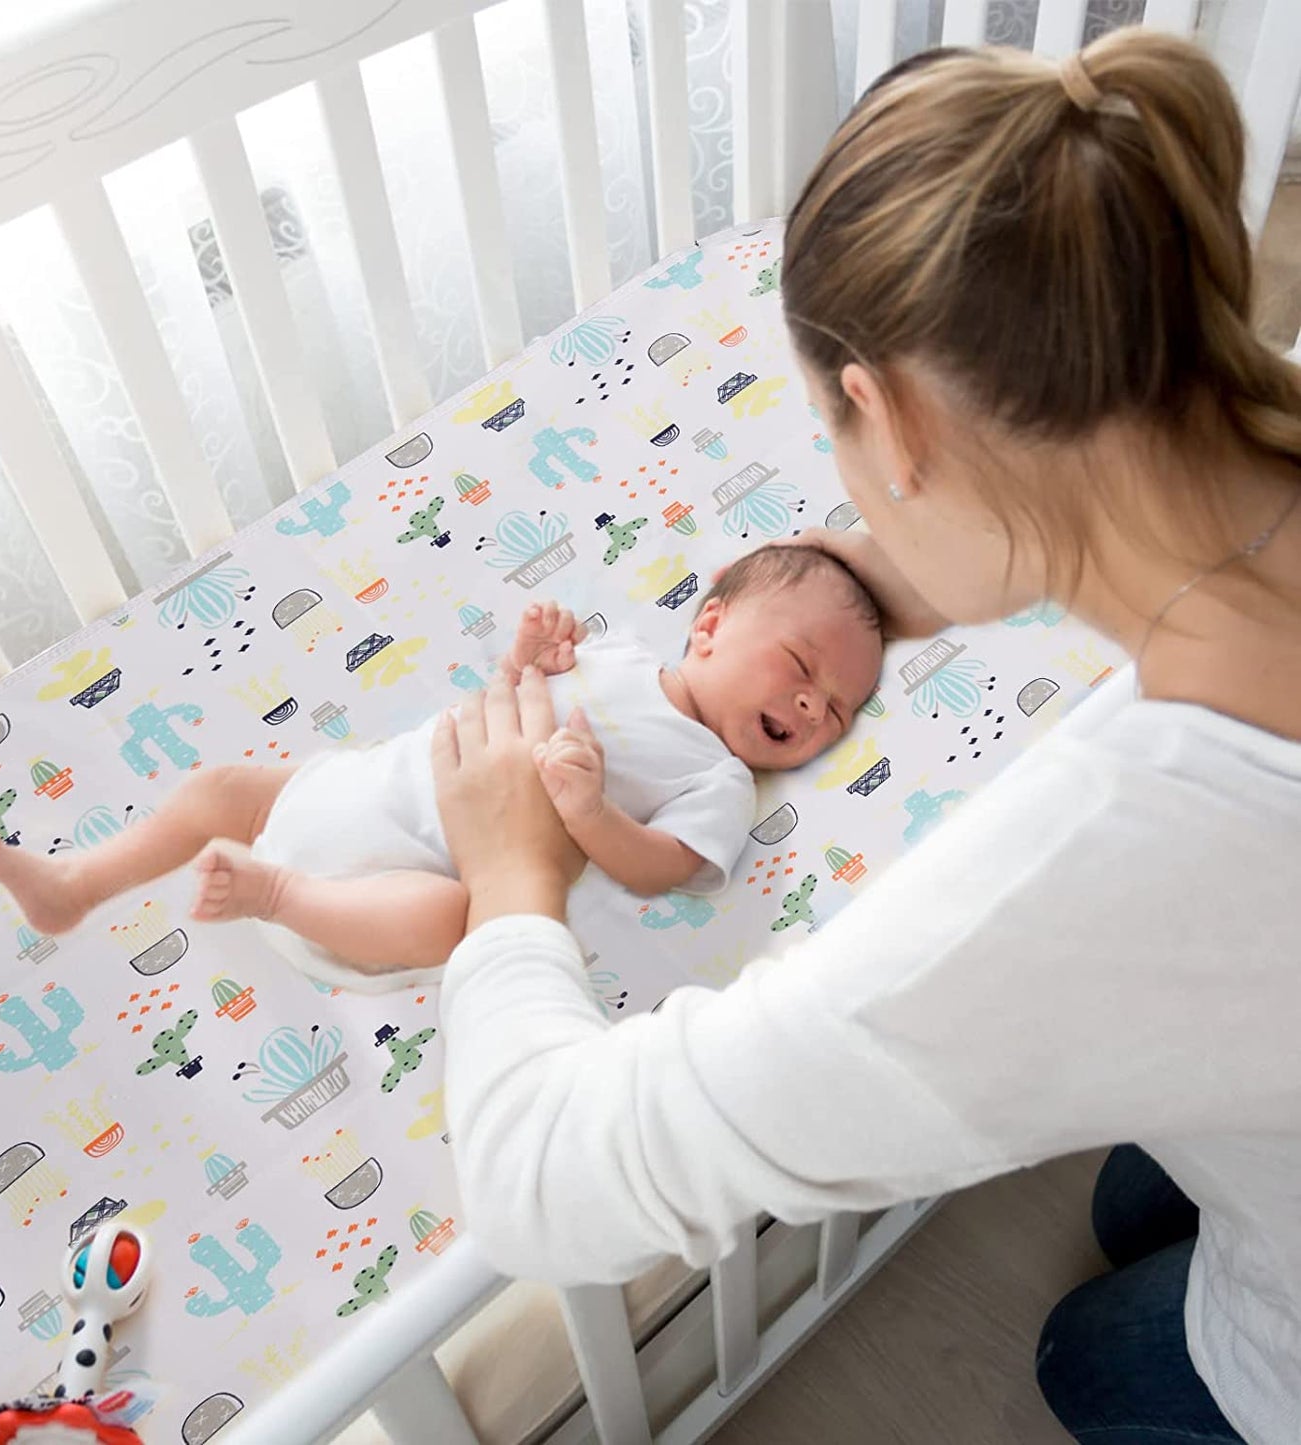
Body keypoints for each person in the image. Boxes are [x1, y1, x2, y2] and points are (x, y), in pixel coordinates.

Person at [427, 28, 1301, 1445]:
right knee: (1137, 1193)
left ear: (883, 419)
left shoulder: (1090, 872)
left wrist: (510, 873)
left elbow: (542, 1178)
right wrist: (865, 586)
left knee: (1088, 1352)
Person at [0, 545, 881, 993]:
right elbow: (510, 697)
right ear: (711, 626)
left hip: (396, 885)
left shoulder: (719, 778)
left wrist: (592, 813)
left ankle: (275, 894)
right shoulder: (623, 655)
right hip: (368, 786)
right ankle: (75, 881)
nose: (811, 709)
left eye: (834, 710)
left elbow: (670, 869)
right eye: (801, 669)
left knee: (457, 921)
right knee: (223, 789)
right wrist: (526, 654)